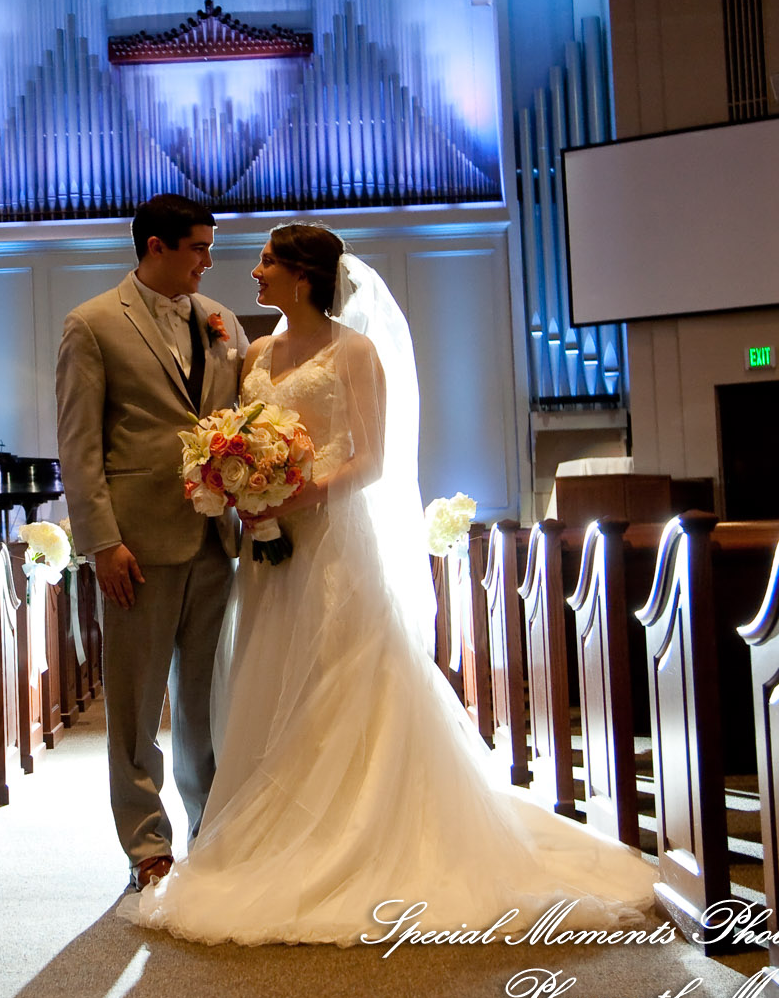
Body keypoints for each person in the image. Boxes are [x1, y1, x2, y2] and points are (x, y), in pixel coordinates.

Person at [121, 223, 657, 945]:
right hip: (268, 551)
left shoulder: (356, 352)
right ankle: (272, 831)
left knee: (339, 676)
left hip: (333, 547)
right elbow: (238, 430)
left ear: (303, 275)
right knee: (271, 680)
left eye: (268, 261)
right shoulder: (256, 352)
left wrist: (294, 493)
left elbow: (370, 459)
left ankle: (351, 829)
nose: (254, 271)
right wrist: (244, 485)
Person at [55, 194, 250, 893]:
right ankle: (147, 844)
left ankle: (209, 830)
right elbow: (79, 446)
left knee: (204, 701)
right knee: (136, 707)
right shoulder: (92, 323)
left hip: (213, 537)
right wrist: (102, 541)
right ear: (156, 247)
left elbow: (239, 418)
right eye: (198, 247)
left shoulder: (221, 321)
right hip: (134, 545)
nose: (208, 260)